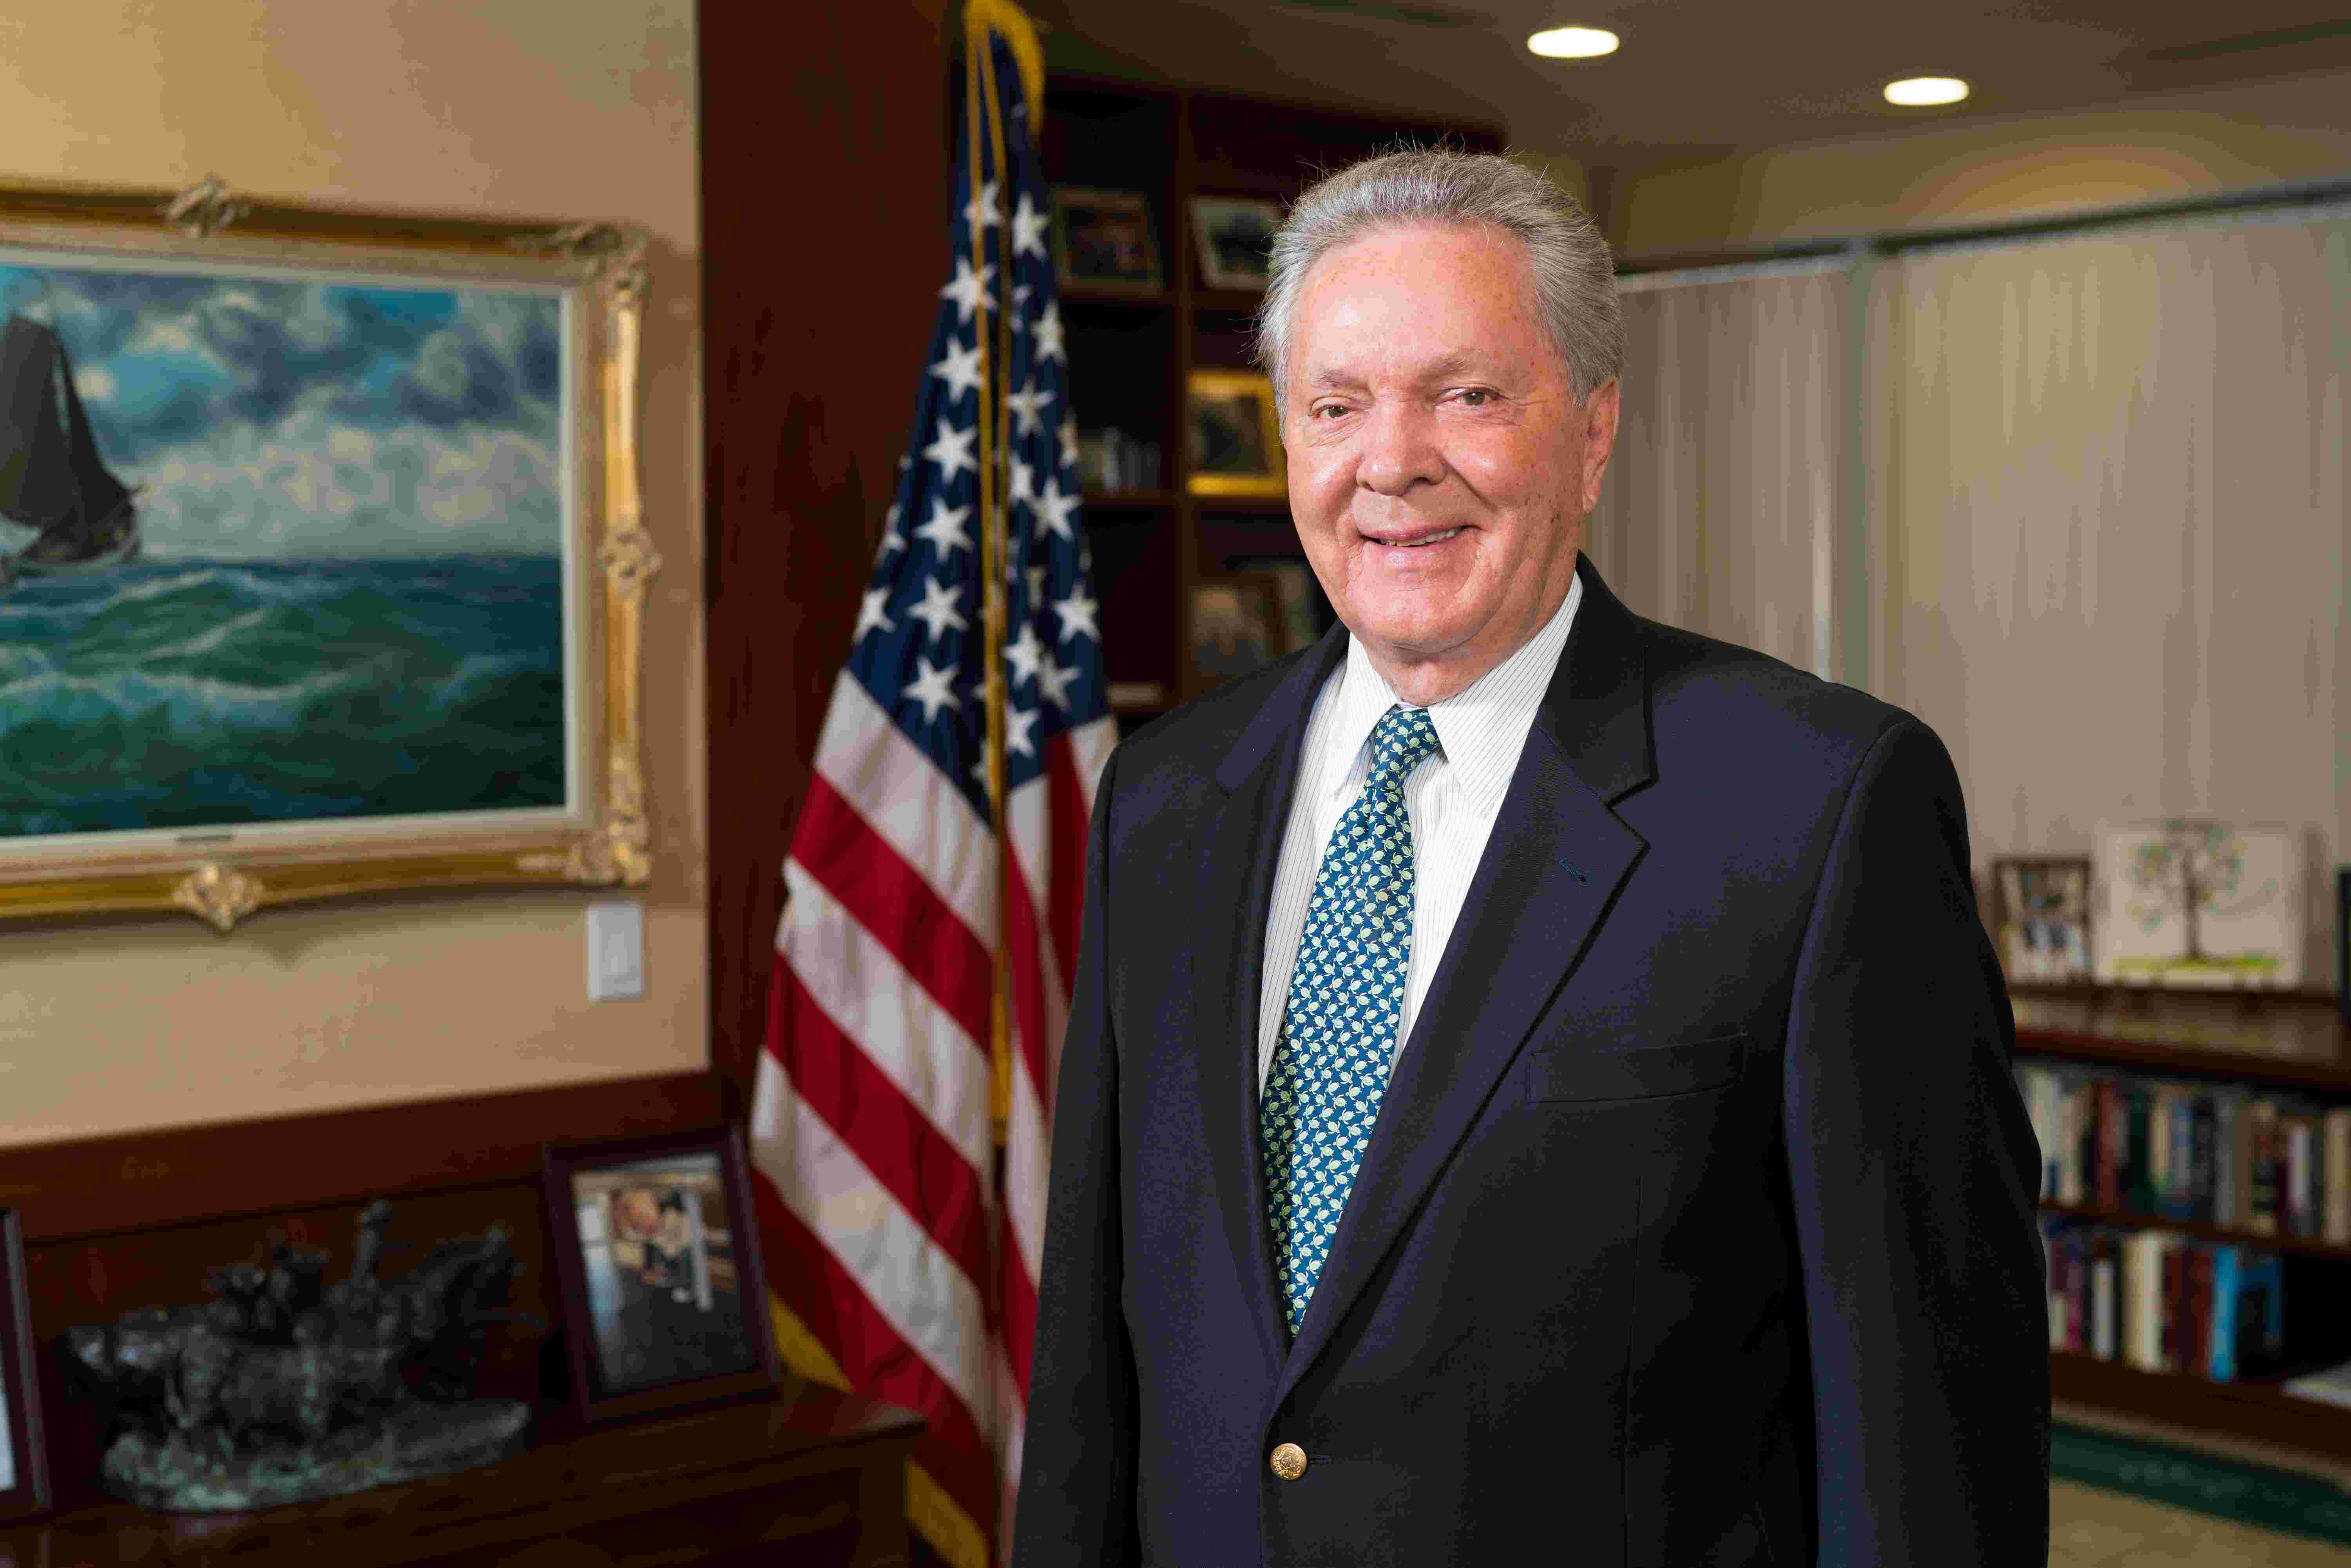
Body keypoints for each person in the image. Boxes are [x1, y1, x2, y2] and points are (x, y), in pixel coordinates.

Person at [1013, 148, 2047, 1565]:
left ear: (1594, 430)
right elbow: (1092, 1365)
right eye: (1336, 406)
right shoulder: (1166, 797)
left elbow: (1932, 1451)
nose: (1391, 463)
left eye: (1467, 396)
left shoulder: (1821, 807)